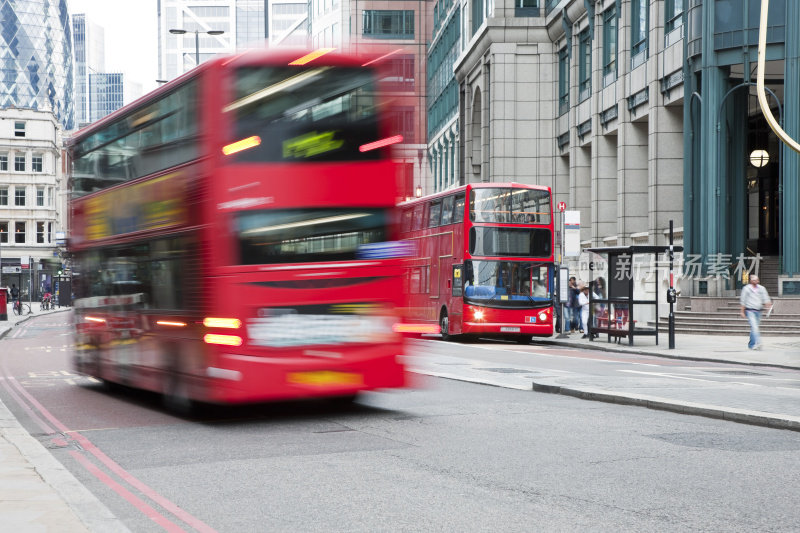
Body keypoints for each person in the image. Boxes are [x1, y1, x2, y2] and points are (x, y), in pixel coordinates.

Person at [739, 274, 772, 350]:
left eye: (756, 280)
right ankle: (758, 343)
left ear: (758, 280)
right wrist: (742, 311)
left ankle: (751, 345)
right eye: (753, 280)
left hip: (758, 311)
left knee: (754, 328)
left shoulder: (762, 288)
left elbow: (766, 298)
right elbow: (743, 301)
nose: (755, 281)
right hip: (750, 310)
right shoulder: (746, 289)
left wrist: (768, 306)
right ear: (750, 281)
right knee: (755, 327)